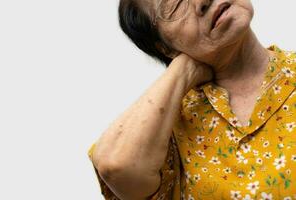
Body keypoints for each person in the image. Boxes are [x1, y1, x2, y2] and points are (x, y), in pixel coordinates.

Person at [88, 0, 296, 199]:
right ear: (164, 47)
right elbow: (116, 166)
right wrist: (182, 70)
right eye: (175, 4)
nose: (202, 1)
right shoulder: (164, 131)